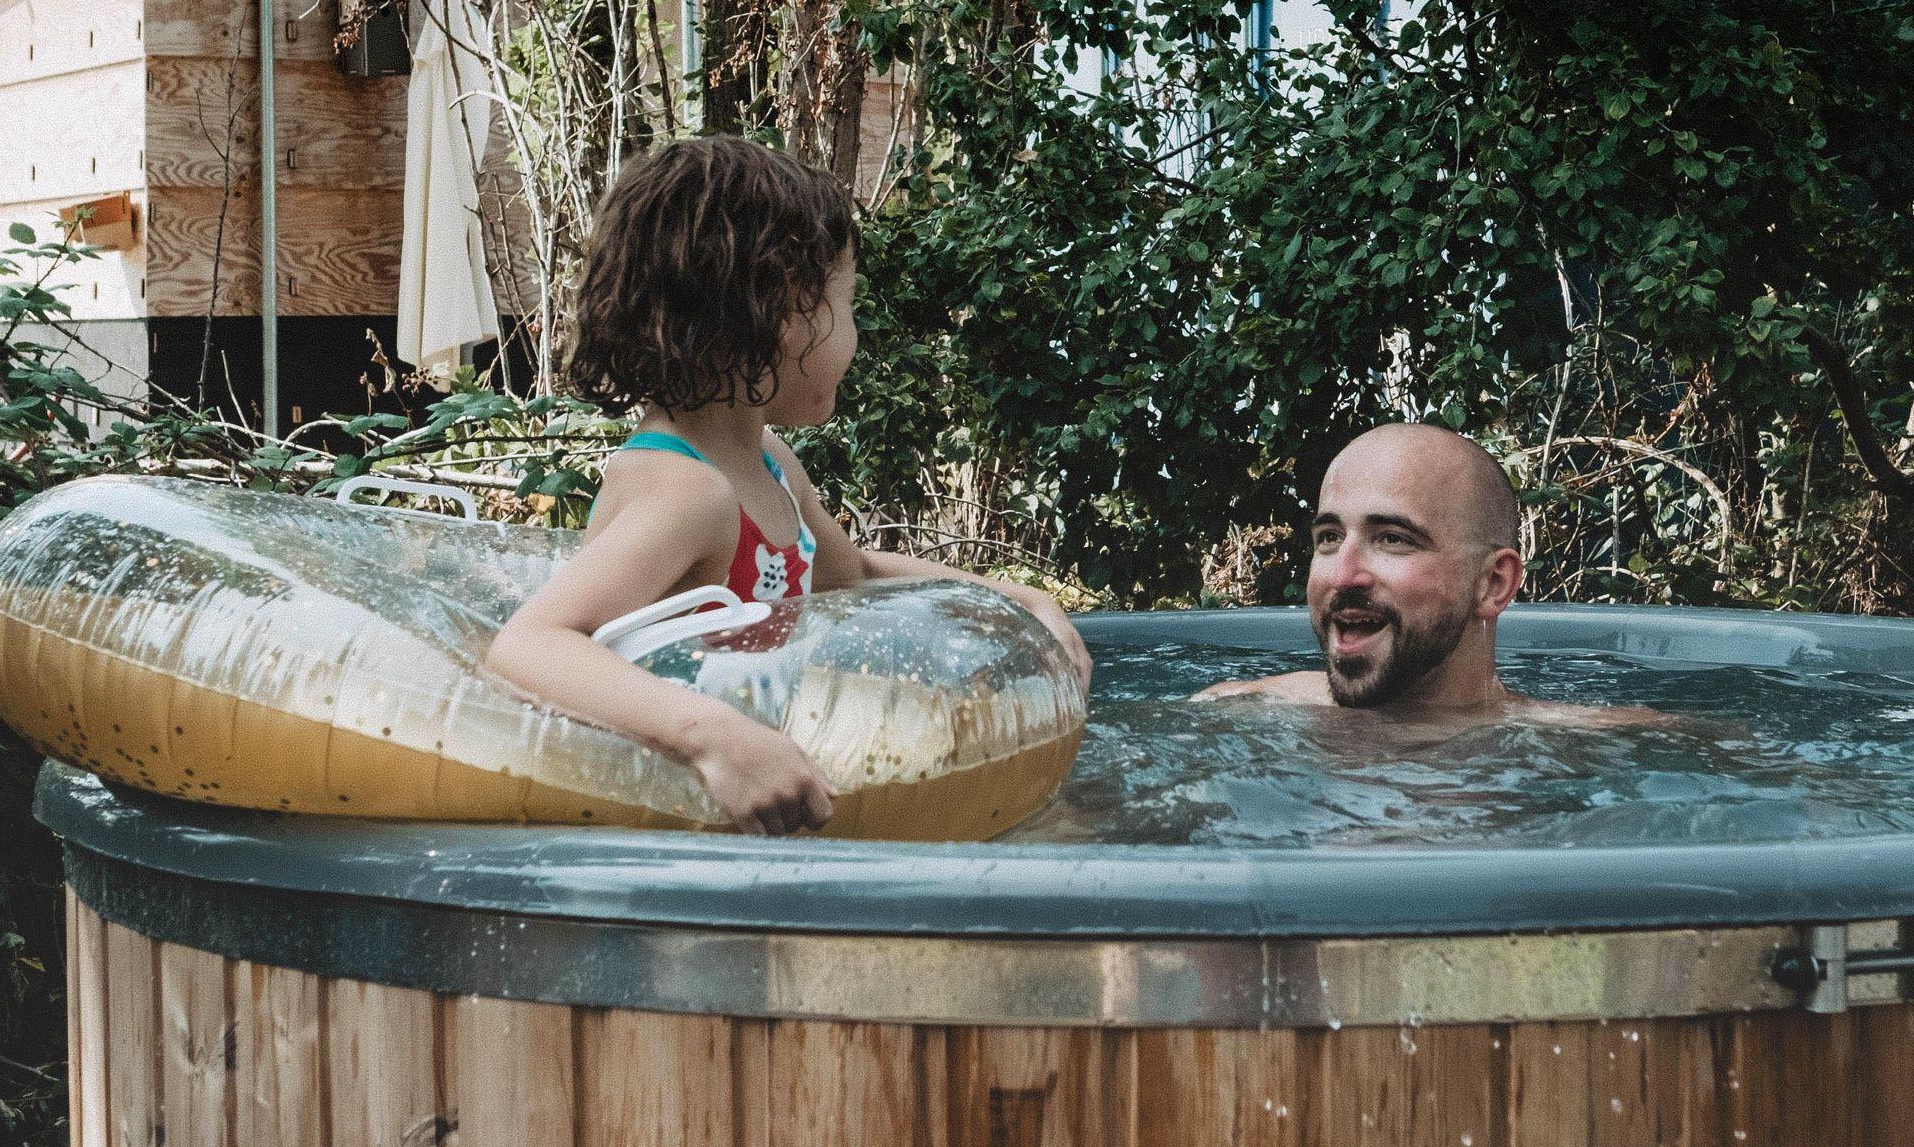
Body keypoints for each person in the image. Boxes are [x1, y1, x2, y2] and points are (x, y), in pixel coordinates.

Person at [488, 136, 1092, 836]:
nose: (856, 334)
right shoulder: (687, 492)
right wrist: (711, 736)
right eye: (847, 303)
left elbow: (853, 574)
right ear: (770, 313)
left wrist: (1018, 599)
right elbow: (529, 643)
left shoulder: (767, 461)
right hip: (683, 827)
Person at [1192, 423, 1654, 725]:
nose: (1344, 575)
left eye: (1392, 539)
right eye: (1329, 537)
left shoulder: (1596, 745)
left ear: (1493, 584)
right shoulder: (1239, 710)